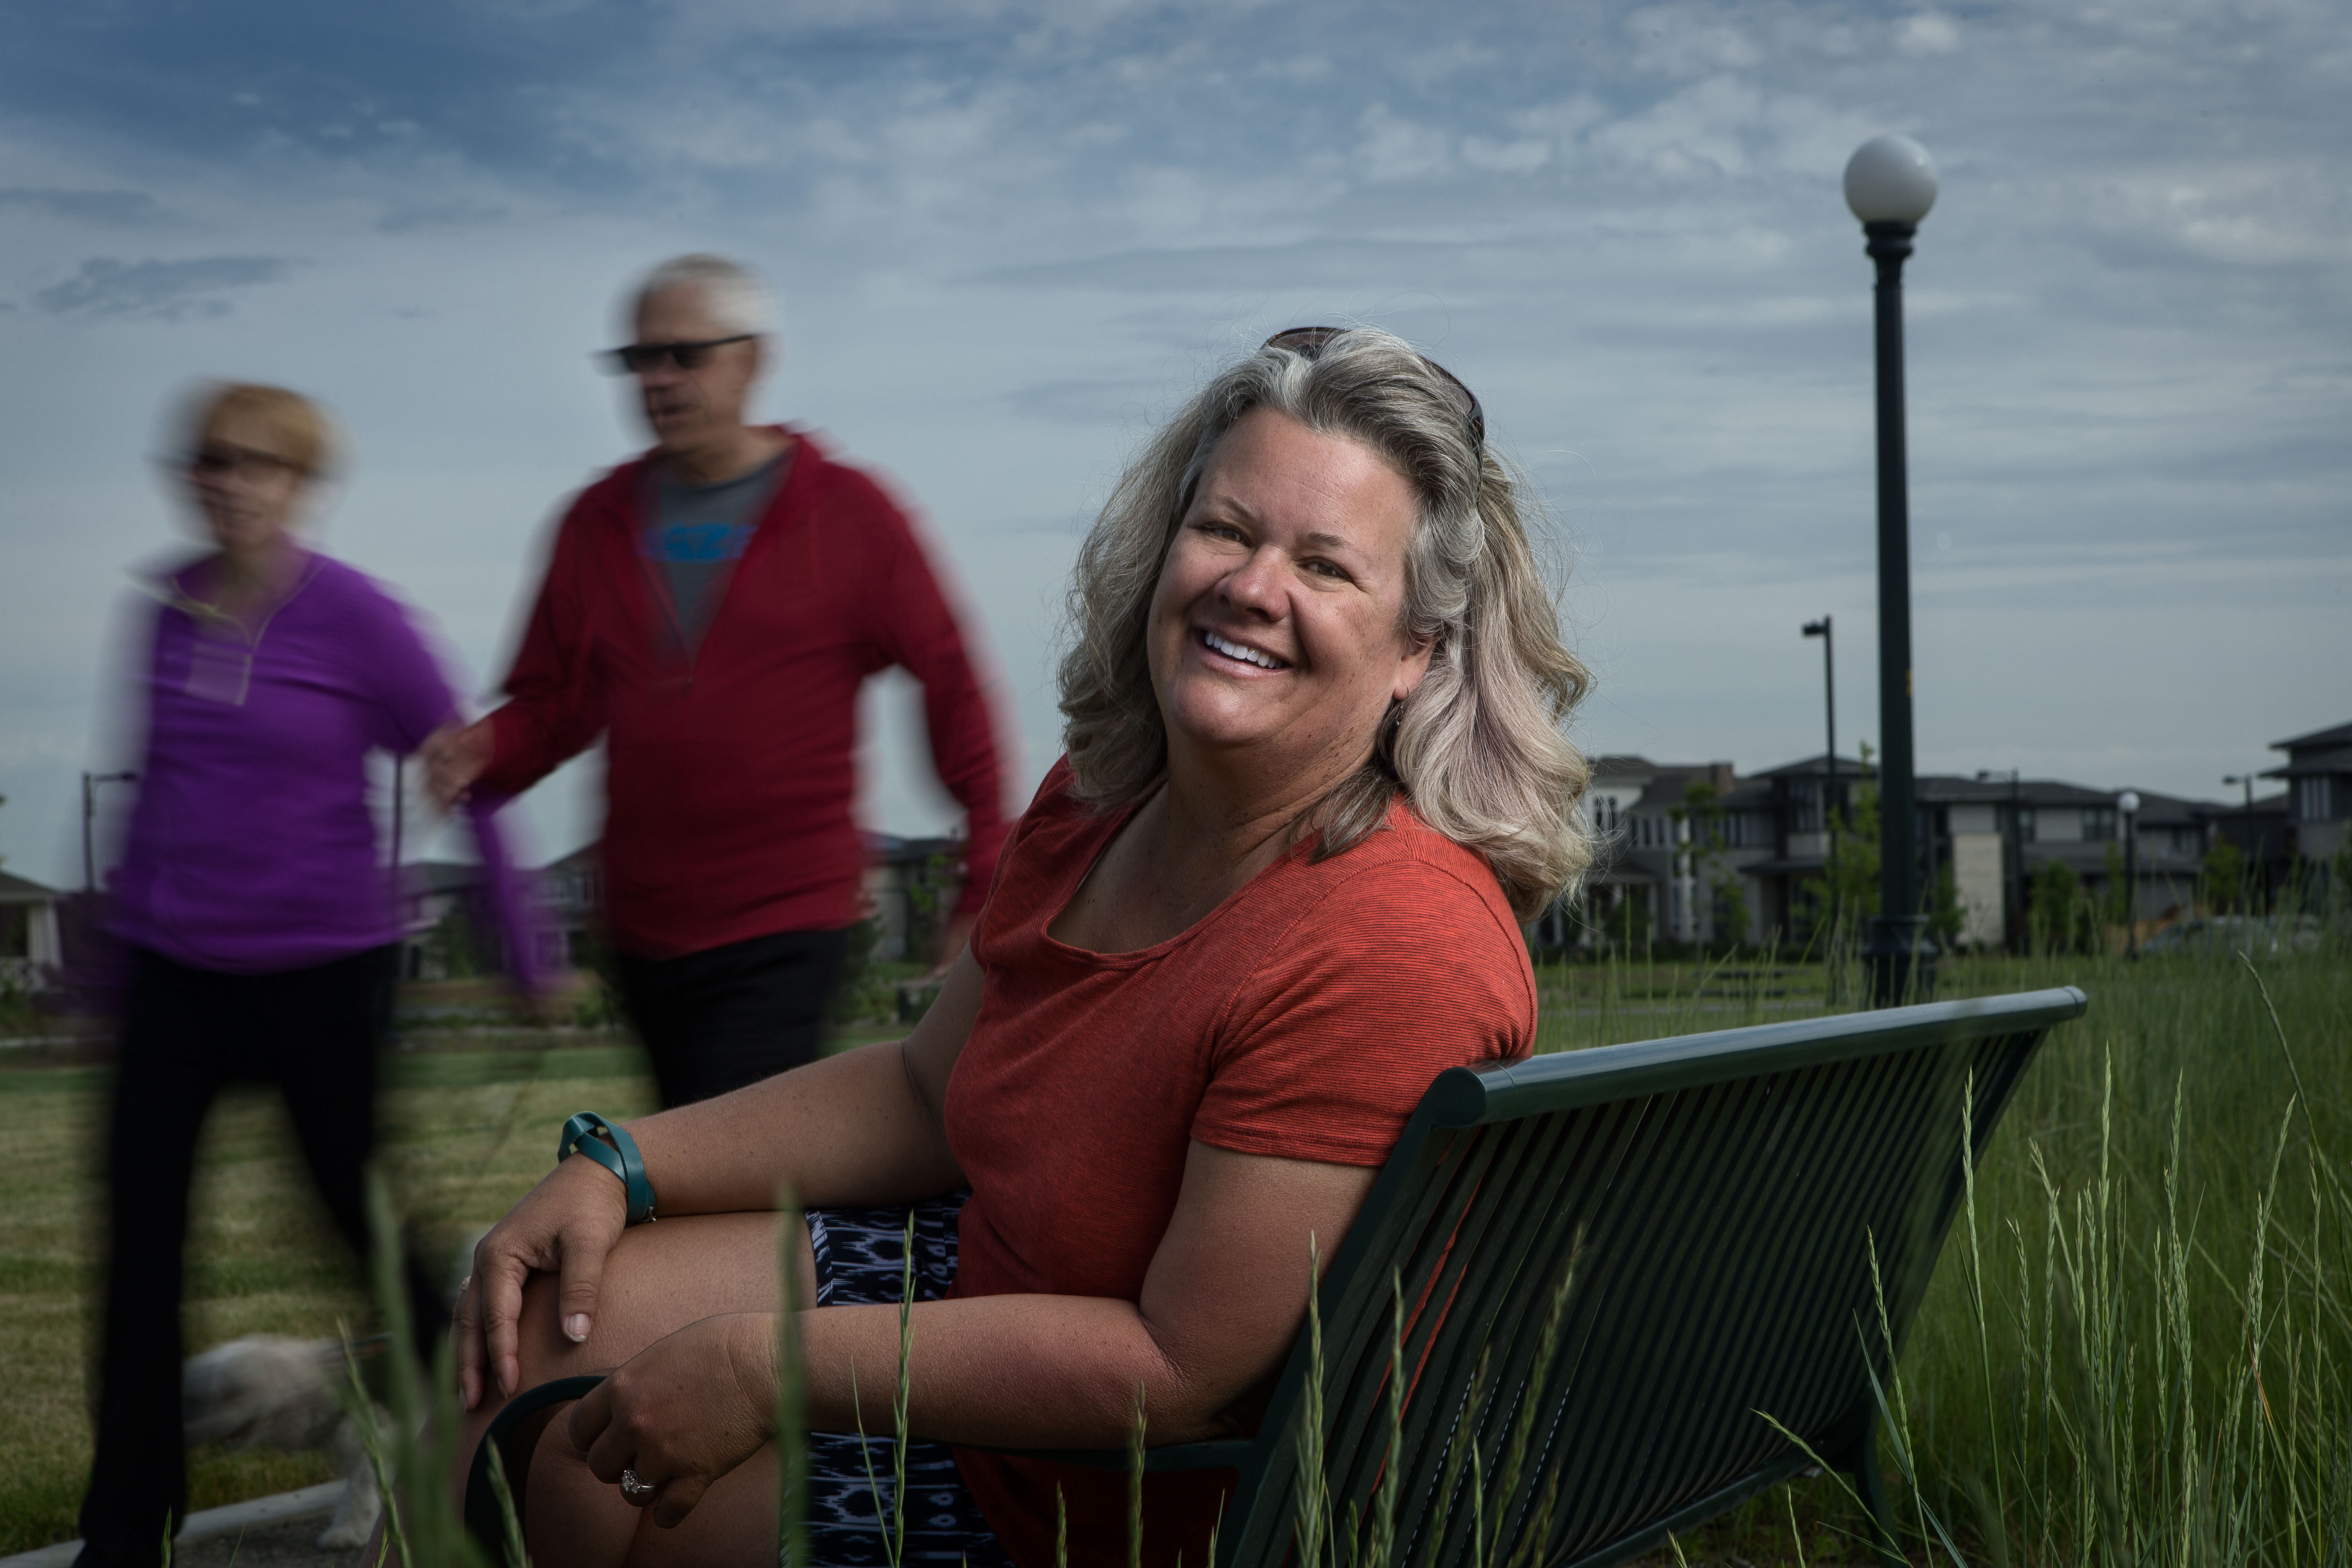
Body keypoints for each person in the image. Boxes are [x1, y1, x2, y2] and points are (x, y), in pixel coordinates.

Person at [450, 326, 1593, 1568]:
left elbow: (1183, 1375)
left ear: (1417, 651)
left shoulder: (1387, 939)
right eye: (1226, 529)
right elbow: (920, 1091)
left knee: (586, 1472)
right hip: (984, 1285)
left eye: (1326, 565)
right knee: (520, 1339)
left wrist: (758, 1363)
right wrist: (618, 1161)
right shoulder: (1107, 793)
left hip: (1123, 1493)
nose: (1255, 587)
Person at [77, 383, 537, 1568]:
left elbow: (466, 767)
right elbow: (151, 791)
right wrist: (107, 972)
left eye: (254, 463)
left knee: (370, 1240)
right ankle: (125, 1534)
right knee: (137, 1254)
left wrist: (525, 943)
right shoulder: (165, 614)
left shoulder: (357, 619)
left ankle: (502, 1478)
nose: (225, 480)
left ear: (298, 485)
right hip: (177, 972)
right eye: (208, 461)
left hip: (323, 975)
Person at [425, 254, 1009, 1109]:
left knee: (729, 1173)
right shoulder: (594, 524)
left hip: (787, 920)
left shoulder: (848, 513)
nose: (658, 380)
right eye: (639, 360)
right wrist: (485, 750)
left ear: (751, 359)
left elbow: (951, 679)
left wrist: (984, 864)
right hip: (640, 929)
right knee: (688, 1163)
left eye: (684, 356)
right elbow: (559, 705)